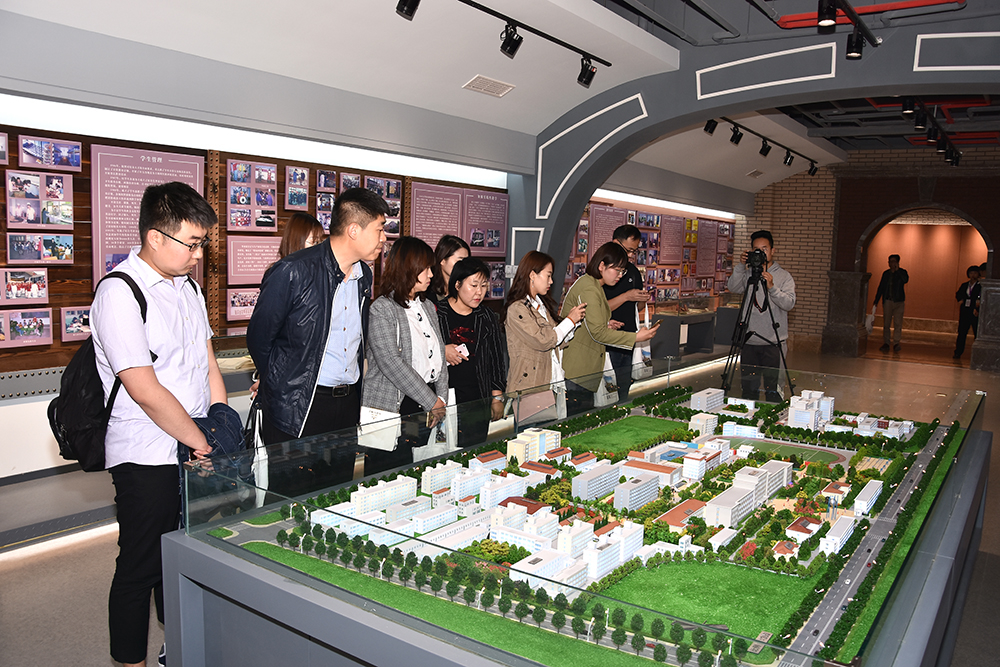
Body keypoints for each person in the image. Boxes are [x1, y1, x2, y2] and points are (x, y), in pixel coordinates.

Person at [90, 182, 226, 667]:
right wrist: (200, 440)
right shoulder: (119, 292)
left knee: (185, 554)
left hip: (194, 444)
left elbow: (207, 364)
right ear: (154, 237)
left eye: (202, 244)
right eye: (192, 243)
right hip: (146, 453)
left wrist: (218, 425)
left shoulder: (189, 288)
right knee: (141, 565)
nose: (198, 255)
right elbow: (143, 387)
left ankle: (179, 649)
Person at [247, 188, 388, 483]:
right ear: (353, 230)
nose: (384, 238)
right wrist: (281, 385)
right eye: (379, 229)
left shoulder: (364, 275)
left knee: (338, 493)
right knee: (293, 495)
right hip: (301, 403)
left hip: (347, 404)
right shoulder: (293, 271)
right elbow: (259, 339)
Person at [362, 236, 449, 469]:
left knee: (423, 472)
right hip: (395, 405)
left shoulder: (427, 306)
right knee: (388, 476)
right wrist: (432, 401)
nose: (431, 274)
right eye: (425, 268)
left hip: (429, 403)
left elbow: (439, 357)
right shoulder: (382, 308)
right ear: (408, 268)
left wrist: (441, 399)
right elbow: (391, 363)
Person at [561, 242, 660, 411]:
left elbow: (588, 321)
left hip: (584, 368)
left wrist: (605, 323)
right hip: (578, 369)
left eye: (623, 272)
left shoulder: (594, 285)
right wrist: (636, 337)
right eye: (617, 270)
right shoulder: (590, 288)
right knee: (578, 417)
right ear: (601, 266)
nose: (620, 276)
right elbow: (598, 333)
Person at [504, 251, 586, 417]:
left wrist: (573, 324)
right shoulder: (517, 309)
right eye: (548, 276)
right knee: (533, 432)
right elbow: (544, 340)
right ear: (532, 275)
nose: (551, 281)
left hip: (549, 382)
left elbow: (557, 339)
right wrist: (570, 320)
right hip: (530, 386)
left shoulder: (540, 305)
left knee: (551, 430)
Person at [436, 257, 506, 447]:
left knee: (475, 450)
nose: (479, 292)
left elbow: (496, 358)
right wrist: (442, 351)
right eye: (474, 285)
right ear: (457, 284)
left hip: (478, 399)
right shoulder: (437, 313)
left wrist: (497, 397)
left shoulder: (487, 316)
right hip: (445, 400)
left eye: (483, 286)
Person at [727, 230, 796, 403]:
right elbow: (733, 288)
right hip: (749, 341)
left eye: (764, 249)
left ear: (772, 250)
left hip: (774, 342)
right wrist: (740, 267)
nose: (760, 253)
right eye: (756, 249)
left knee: (774, 391)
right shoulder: (748, 274)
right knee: (749, 390)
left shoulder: (784, 276)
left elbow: (789, 303)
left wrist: (772, 287)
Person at [602, 224, 651, 401]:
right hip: (608, 342)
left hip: (629, 339)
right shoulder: (601, 274)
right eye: (628, 250)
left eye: (634, 251)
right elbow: (597, 310)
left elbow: (635, 309)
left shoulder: (633, 272)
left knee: (623, 389)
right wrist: (626, 296)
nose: (631, 255)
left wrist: (641, 299)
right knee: (606, 392)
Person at [873, 254, 909, 353]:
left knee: (898, 323)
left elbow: (905, 280)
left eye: (893, 261)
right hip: (888, 301)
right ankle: (886, 343)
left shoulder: (902, 272)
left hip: (899, 302)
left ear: (897, 262)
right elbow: (881, 287)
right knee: (886, 323)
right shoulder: (886, 274)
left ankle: (896, 342)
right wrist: (876, 300)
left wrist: (897, 271)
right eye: (890, 262)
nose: (891, 264)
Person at [953, 264, 982, 359]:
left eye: (975, 273)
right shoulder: (965, 285)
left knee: (977, 333)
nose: (973, 275)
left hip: (975, 312)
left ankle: (978, 354)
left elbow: (981, 298)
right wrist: (960, 299)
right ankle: (958, 352)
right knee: (962, 332)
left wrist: (977, 308)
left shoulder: (980, 286)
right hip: (965, 311)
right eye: (971, 273)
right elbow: (958, 294)